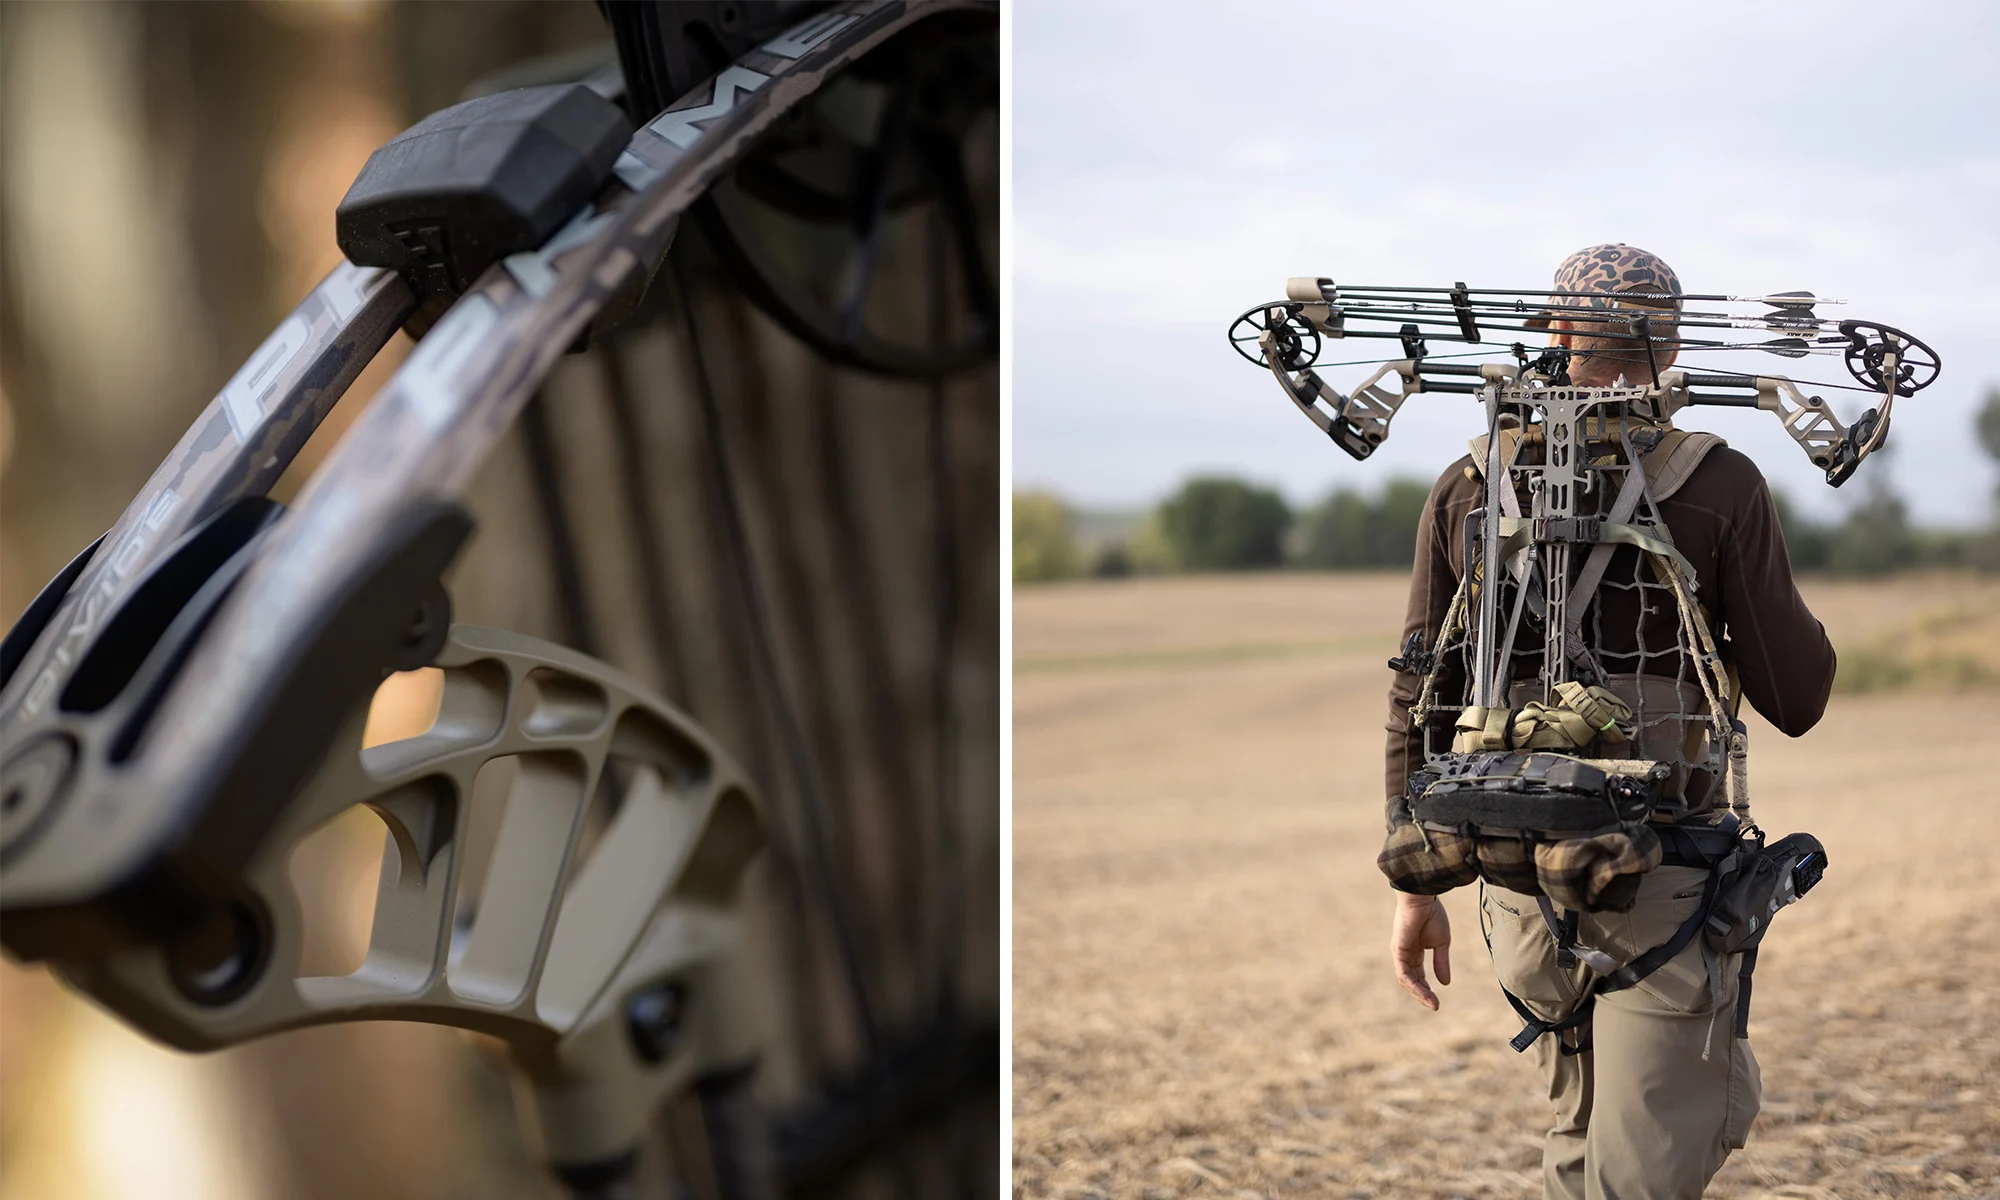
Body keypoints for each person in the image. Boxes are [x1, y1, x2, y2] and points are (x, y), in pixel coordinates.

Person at [1382, 244, 1837, 1198]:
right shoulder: (1721, 486)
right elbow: (1798, 699)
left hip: (1512, 884)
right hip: (1664, 883)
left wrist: (1414, 885)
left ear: (1555, 336)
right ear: (1672, 346)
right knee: (1644, 1168)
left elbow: (1417, 696)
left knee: (1579, 1141)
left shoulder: (1468, 484)